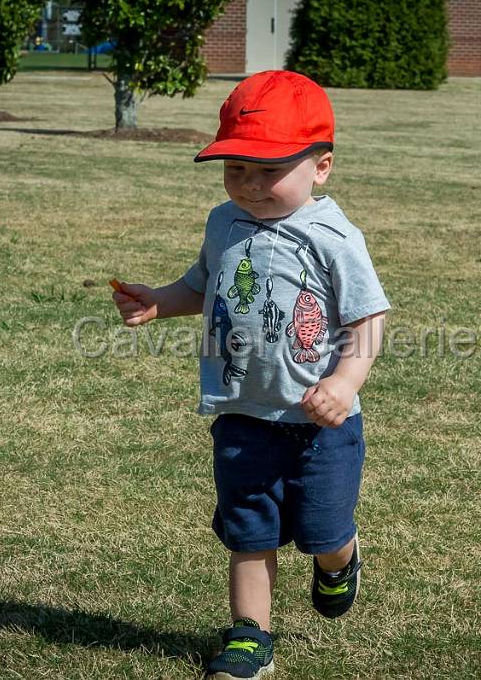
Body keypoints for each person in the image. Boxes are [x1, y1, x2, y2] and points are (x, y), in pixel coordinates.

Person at [112, 70, 390, 680]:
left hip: (320, 423)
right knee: (248, 532)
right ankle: (249, 638)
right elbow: (201, 285)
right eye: (236, 169)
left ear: (321, 167)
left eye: (269, 170)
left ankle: (339, 561)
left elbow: (369, 318)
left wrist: (345, 384)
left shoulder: (334, 236)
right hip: (241, 413)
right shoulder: (223, 222)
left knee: (324, 528)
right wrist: (160, 300)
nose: (250, 185)